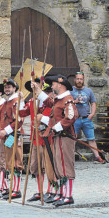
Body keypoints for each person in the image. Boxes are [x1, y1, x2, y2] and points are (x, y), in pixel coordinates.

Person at [35, 75, 78, 206]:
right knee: (58, 166)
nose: (51, 86)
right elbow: (50, 104)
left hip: (65, 136)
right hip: (58, 136)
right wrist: (37, 90)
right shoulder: (59, 100)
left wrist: (57, 128)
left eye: (53, 84)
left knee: (65, 166)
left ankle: (68, 195)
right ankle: (61, 193)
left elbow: (70, 117)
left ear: (60, 84)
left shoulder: (68, 100)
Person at [19, 78, 53, 202]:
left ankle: (50, 190)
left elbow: (50, 113)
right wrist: (21, 100)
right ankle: (39, 191)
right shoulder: (32, 101)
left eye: (37, 87)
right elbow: (22, 113)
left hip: (47, 137)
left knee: (48, 165)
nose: (35, 89)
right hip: (35, 137)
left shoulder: (48, 101)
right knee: (36, 165)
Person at [0, 78, 24, 199]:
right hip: (7, 136)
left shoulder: (16, 101)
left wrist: (6, 130)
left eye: (9, 87)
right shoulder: (6, 102)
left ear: (14, 88)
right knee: (9, 161)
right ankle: (10, 188)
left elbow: (19, 121)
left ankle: (16, 190)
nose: (7, 89)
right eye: (5, 87)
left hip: (14, 135)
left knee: (16, 161)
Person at [70, 71, 104, 163]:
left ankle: (97, 156)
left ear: (83, 80)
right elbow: (67, 104)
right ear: (75, 80)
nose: (79, 81)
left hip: (86, 119)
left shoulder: (88, 91)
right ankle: (69, 158)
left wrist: (92, 114)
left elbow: (93, 103)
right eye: (77, 79)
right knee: (73, 139)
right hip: (75, 119)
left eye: (81, 79)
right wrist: (74, 102)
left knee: (91, 138)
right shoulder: (70, 91)